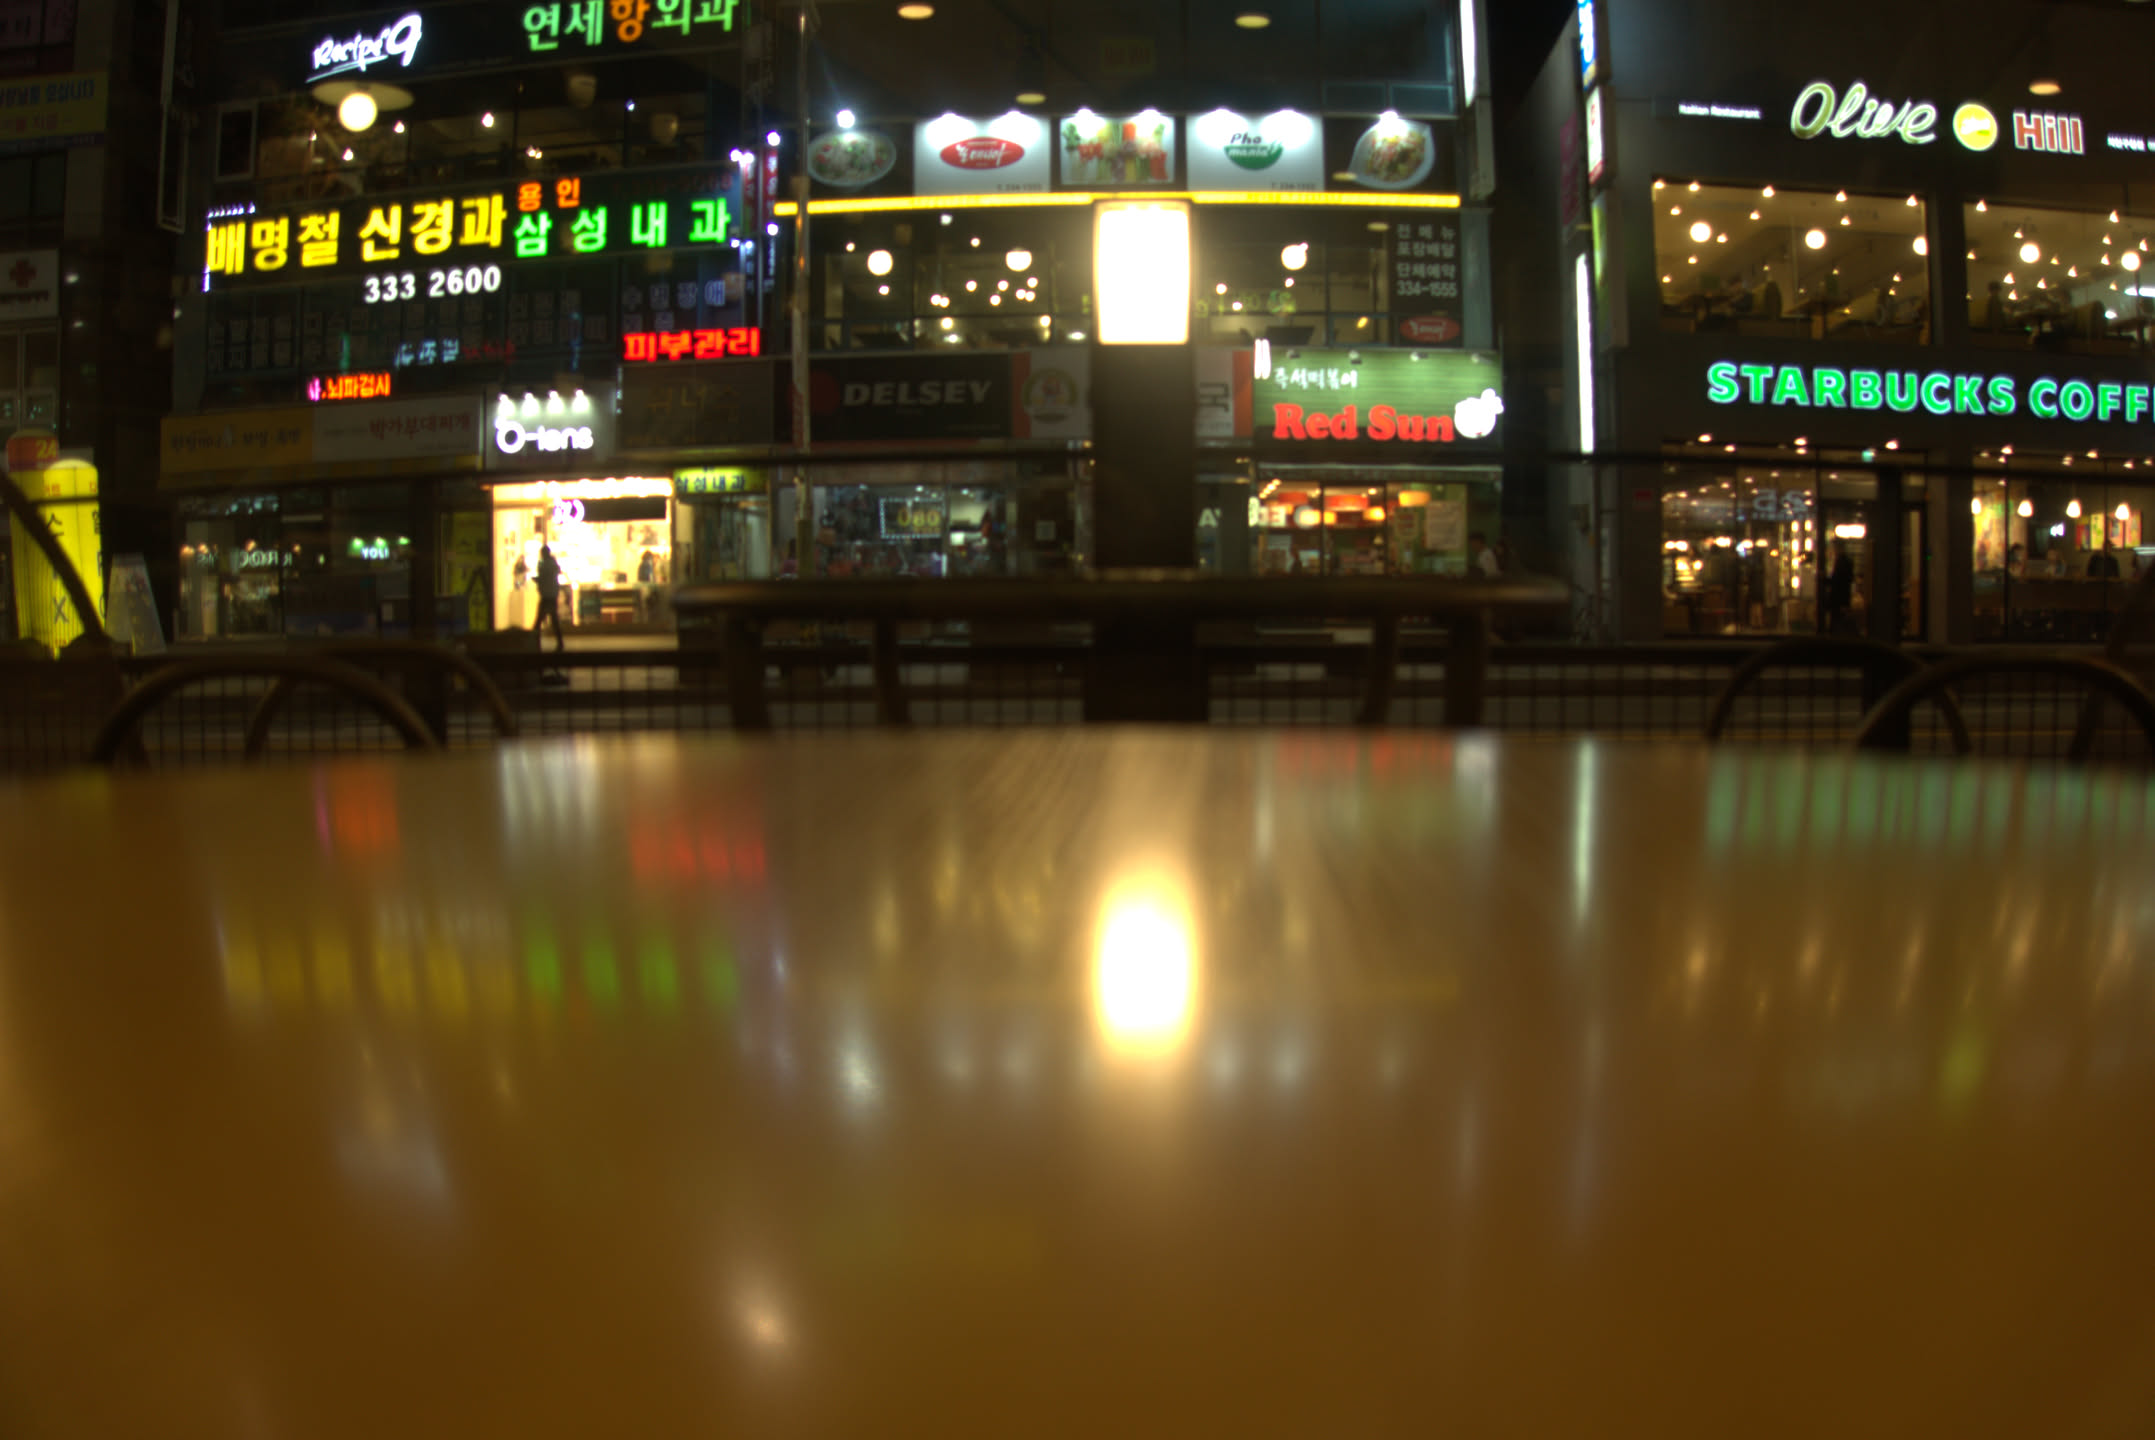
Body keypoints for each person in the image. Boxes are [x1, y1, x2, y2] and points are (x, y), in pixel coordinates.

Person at [532, 542, 565, 652]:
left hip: (546, 595)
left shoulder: (544, 564)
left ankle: (534, 642)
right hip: (552, 594)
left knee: (538, 621)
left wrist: (536, 579)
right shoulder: (553, 563)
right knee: (554, 620)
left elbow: (542, 578)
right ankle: (560, 642)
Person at [1824, 544, 1856, 634]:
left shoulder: (1840, 562)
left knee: (1836, 620)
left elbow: (1837, 580)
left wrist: (1824, 580)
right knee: (1839, 619)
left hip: (1837, 599)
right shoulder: (1848, 562)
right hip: (1843, 598)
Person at [635, 548, 657, 622]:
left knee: (643, 605)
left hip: (641, 586)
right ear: (649, 557)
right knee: (647, 604)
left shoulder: (642, 564)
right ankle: (647, 620)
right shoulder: (647, 565)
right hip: (645, 587)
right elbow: (649, 577)